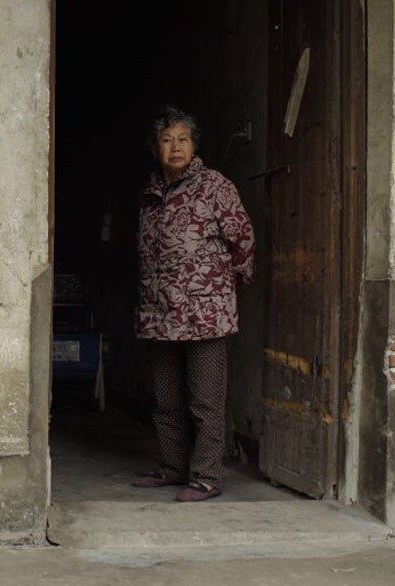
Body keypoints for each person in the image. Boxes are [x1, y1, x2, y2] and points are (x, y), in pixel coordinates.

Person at [132, 105, 255, 502]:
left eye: (182, 139)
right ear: (155, 148)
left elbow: (243, 238)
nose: (175, 147)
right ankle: (173, 467)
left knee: (205, 400)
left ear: (194, 145)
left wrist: (222, 289)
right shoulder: (150, 195)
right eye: (167, 140)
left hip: (205, 313)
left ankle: (205, 476)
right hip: (159, 312)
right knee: (166, 400)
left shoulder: (215, 186)